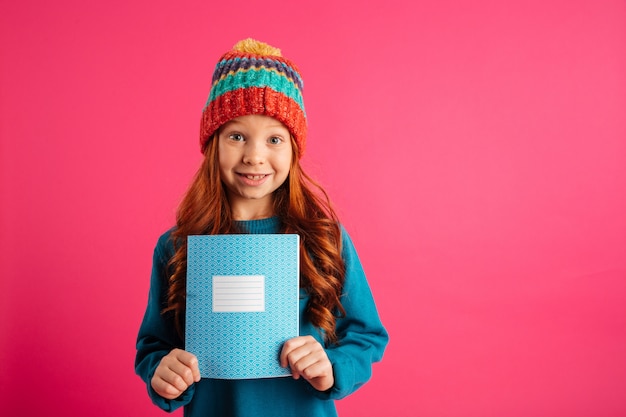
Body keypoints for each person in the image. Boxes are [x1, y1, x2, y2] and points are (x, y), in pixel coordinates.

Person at [135, 38, 388, 417]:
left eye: (274, 139)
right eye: (236, 136)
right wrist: (162, 372)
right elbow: (153, 346)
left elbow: (367, 335)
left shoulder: (325, 240)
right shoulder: (176, 247)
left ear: (293, 150)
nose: (254, 155)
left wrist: (332, 367)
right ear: (213, 145)